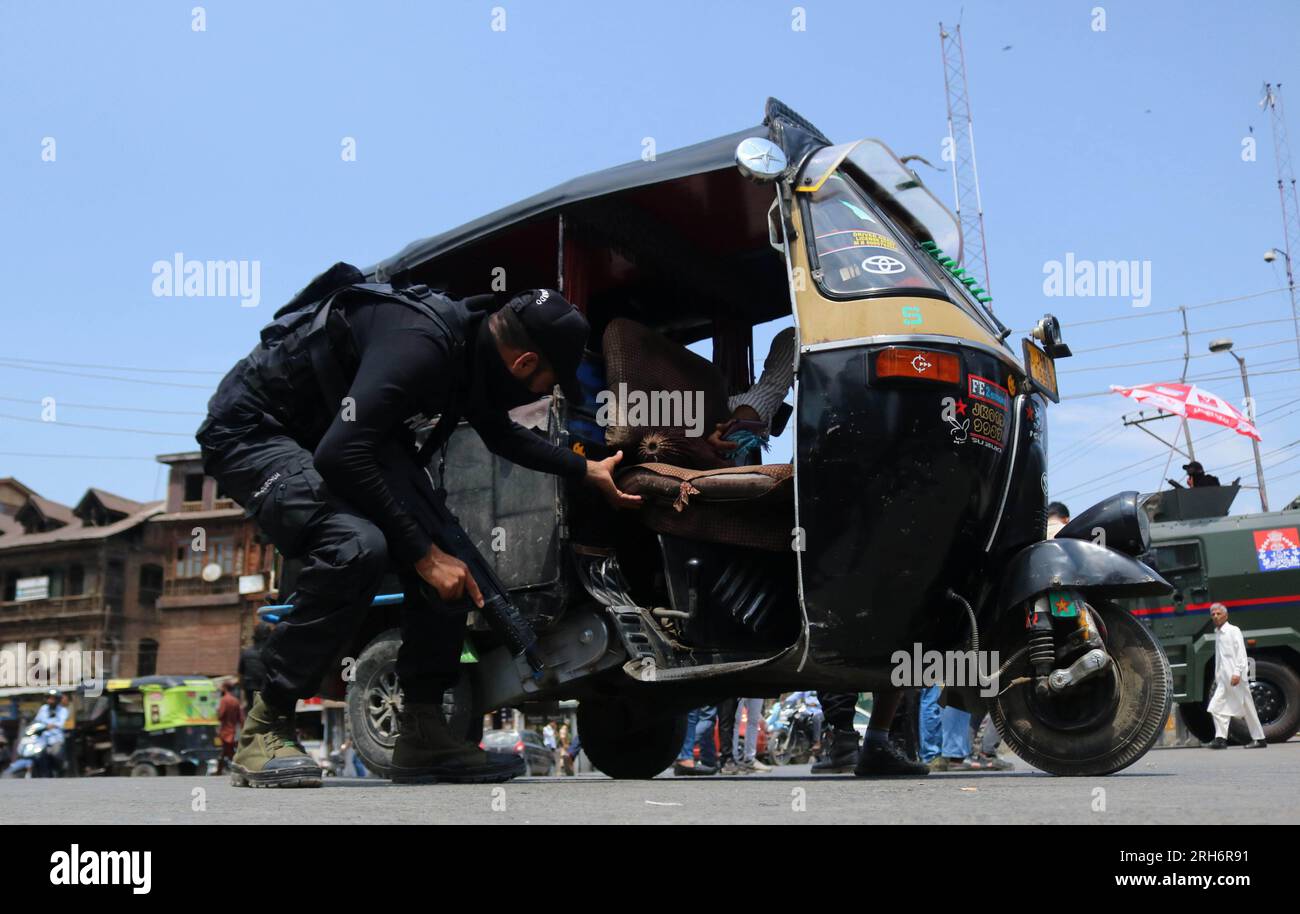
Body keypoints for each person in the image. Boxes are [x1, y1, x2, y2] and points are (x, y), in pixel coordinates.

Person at [197, 268, 640, 787]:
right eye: (547, 381)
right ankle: (265, 724)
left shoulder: (473, 350)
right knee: (358, 547)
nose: (543, 390)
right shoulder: (423, 345)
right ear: (523, 362)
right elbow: (342, 454)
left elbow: (501, 436)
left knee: (456, 561)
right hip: (254, 429)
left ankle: (423, 731)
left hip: (336, 432)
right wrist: (422, 556)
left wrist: (583, 468)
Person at [1206, 603, 1267, 749]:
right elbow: (1220, 659)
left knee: (1247, 708)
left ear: (1225, 615)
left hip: (1236, 678)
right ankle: (1220, 739)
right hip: (1223, 679)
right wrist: (1219, 676)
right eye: (1213, 614)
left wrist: (1237, 673)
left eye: (1218, 613)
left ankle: (1259, 739)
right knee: (1215, 707)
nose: (1215, 616)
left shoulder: (1233, 631)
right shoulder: (1218, 633)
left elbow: (1241, 654)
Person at [33, 690, 68, 778]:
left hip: (56, 738)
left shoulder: (63, 710)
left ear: (58, 700)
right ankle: (44, 775)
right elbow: (37, 720)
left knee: (56, 754)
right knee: (38, 755)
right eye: (49, 698)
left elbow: (60, 723)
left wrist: (50, 726)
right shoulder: (43, 708)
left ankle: (61, 769)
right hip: (42, 738)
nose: (50, 700)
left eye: (53, 699)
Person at [238, 623, 270, 714]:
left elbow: (240, 676)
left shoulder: (246, 653)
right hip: (268, 692)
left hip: (251, 692)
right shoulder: (273, 653)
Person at [216, 680, 245, 774]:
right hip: (234, 731)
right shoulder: (236, 700)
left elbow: (220, 716)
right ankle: (219, 771)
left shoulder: (224, 700)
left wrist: (217, 712)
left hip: (225, 731)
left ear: (224, 688)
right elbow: (241, 718)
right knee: (225, 751)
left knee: (228, 752)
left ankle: (236, 769)